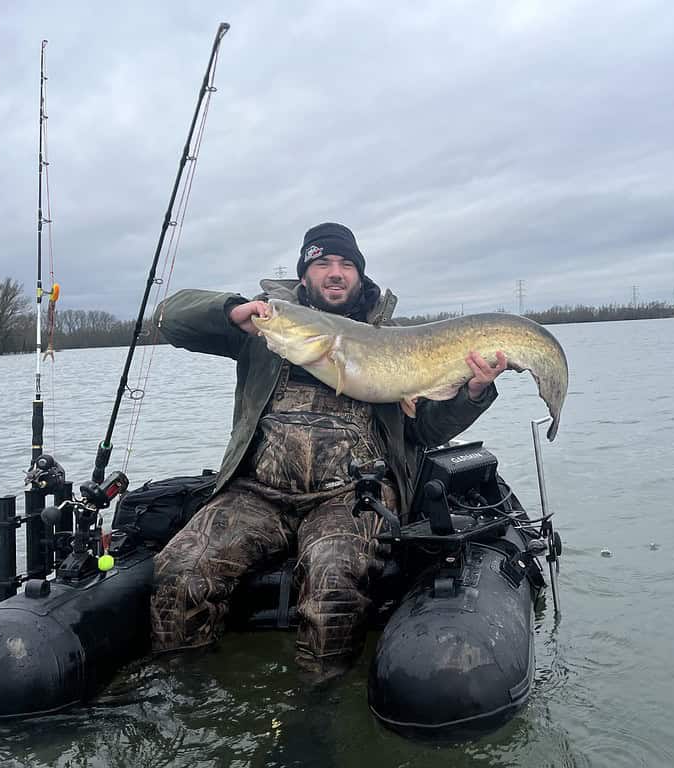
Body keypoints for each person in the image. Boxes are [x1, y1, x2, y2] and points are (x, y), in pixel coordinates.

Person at [149, 222, 507, 681]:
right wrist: (231, 310)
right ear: (304, 275)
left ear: (359, 275)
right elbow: (170, 318)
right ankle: (184, 689)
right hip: (256, 493)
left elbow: (427, 432)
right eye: (323, 263)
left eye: (346, 264)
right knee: (181, 571)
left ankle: (319, 704)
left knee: (333, 582)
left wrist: (473, 392)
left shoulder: (397, 342)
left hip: (353, 496)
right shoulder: (264, 328)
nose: (335, 273)